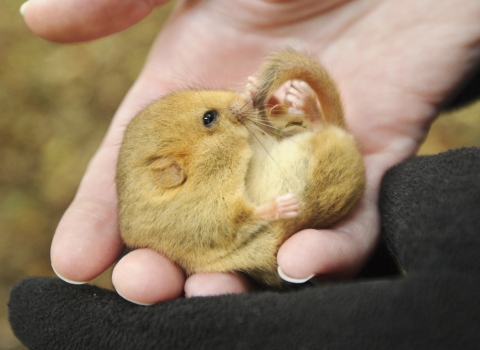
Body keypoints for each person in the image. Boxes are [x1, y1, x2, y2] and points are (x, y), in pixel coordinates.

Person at [21, 0, 480, 305]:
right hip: (271, 229)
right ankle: (321, 131)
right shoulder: (181, 213)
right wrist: (264, 209)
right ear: (172, 173)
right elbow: (224, 222)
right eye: (209, 120)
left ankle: (317, 127)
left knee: (283, 151)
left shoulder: (204, 168)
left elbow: (257, 142)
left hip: (290, 185)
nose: (231, 103)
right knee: (307, 180)